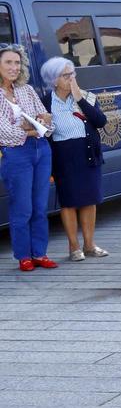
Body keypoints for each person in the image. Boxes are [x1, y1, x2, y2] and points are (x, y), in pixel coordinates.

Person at [39, 56, 109, 261]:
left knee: (90, 199)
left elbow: (100, 121)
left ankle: (90, 245)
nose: (71, 78)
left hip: (87, 152)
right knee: (69, 202)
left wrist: (79, 98)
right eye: (66, 75)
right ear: (54, 80)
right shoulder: (45, 103)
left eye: (73, 74)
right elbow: (44, 132)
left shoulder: (85, 97)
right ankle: (74, 247)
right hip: (63, 155)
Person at [0, 44, 56, 271]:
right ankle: (23, 255)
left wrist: (37, 125)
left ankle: (40, 253)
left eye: (17, 62)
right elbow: (5, 133)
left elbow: (49, 123)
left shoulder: (28, 90)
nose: (14, 67)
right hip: (16, 155)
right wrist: (35, 127)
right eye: (8, 62)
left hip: (42, 151)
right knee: (22, 207)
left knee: (40, 206)